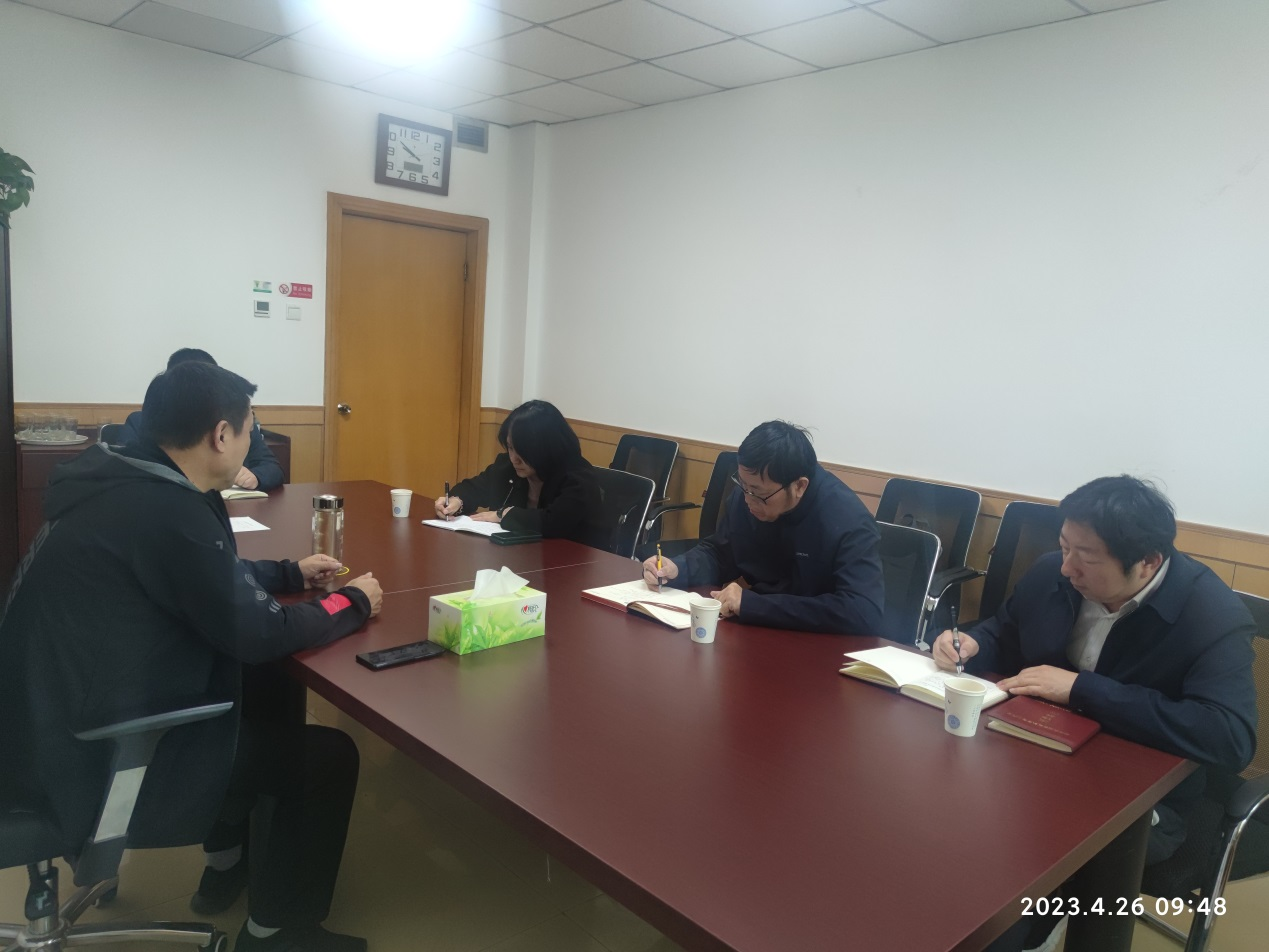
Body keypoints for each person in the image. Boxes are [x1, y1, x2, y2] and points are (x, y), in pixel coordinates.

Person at [0, 361, 383, 952]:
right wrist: (351, 603)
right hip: (94, 757)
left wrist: (287, 572)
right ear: (221, 435)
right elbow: (261, 632)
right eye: (251, 428)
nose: (253, 439)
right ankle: (279, 934)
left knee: (255, 692)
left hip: (40, 729)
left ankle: (229, 862)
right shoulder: (165, 509)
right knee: (326, 757)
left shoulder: (123, 481)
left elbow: (194, 573)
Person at [931, 476, 1256, 952]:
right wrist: (974, 643)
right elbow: (1006, 630)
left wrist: (1082, 690)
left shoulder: (1209, 614)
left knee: (1008, 898)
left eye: (1085, 556)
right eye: (1064, 546)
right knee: (945, 818)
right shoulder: (1053, 573)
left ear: (1147, 562)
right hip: (1030, 756)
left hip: (1137, 797)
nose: (1067, 567)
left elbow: (1230, 736)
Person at [642, 421, 885, 635]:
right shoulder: (748, 495)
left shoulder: (847, 520)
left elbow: (863, 611)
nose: (748, 500)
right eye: (743, 486)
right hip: (761, 630)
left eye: (758, 493)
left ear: (799, 486)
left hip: (822, 644)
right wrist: (678, 569)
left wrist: (753, 605)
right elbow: (721, 554)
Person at [433, 399, 601, 543]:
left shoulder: (578, 477)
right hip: (516, 556)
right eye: (511, 447)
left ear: (547, 447)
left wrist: (504, 514)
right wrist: (457, 501)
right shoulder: (507, 466)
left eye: (522, 450)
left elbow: (554, 523)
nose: (514, 458)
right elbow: (474, 488)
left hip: (570, 562)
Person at [116, 347, 285, 490]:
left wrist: (256, 476)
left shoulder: (238, 421)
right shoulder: (142, 422)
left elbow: (272, 467)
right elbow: (127, 469)